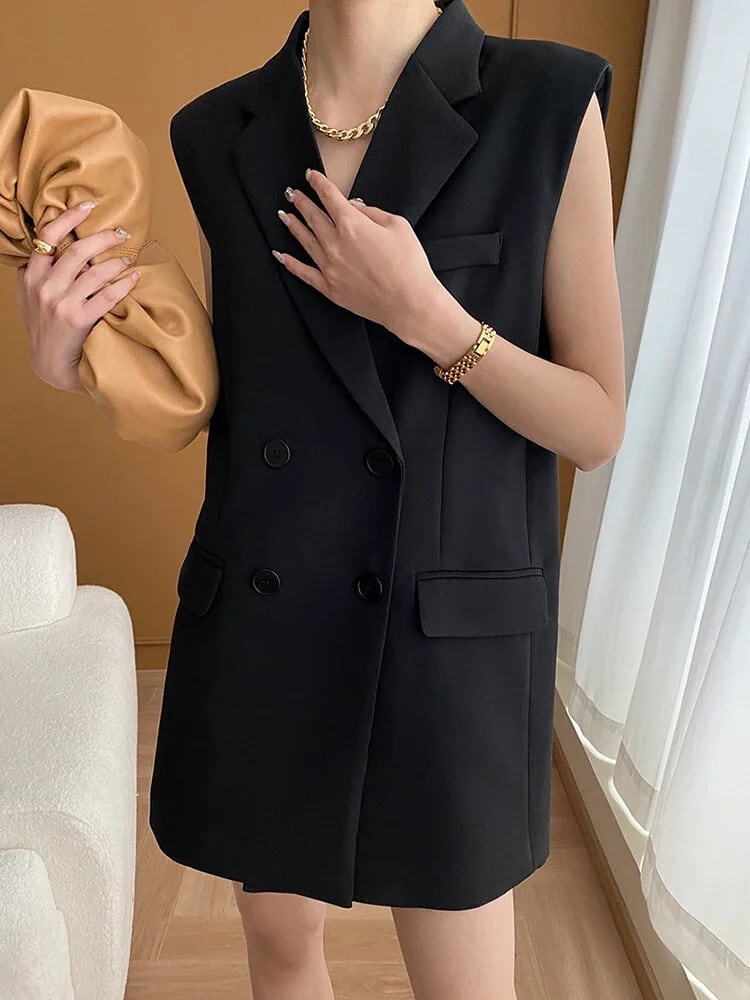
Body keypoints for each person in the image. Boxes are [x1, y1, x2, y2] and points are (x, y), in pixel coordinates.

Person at [16, 1, 625, 997]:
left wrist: (430, 317)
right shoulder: (218, 130)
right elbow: (242, 401)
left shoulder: (547, 101)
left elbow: (596, 425)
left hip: (447, 633)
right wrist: (80, 364)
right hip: (272, 607)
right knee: (280, 944)